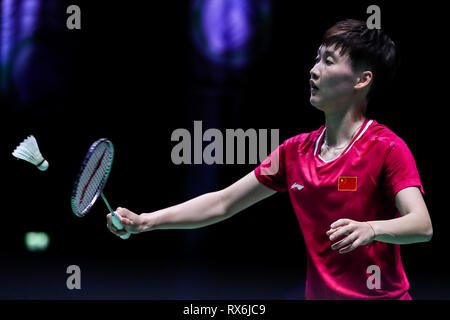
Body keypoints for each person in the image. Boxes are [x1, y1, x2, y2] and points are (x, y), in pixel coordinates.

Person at [107, 19, 432, 300]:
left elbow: (421, 224)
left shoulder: (386, 148)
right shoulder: (295, 153)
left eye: (329, 61)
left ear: (362, 80)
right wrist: (147, 221)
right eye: (316, 59)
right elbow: (223, 203)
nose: (314, 70)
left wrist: (371, 228)